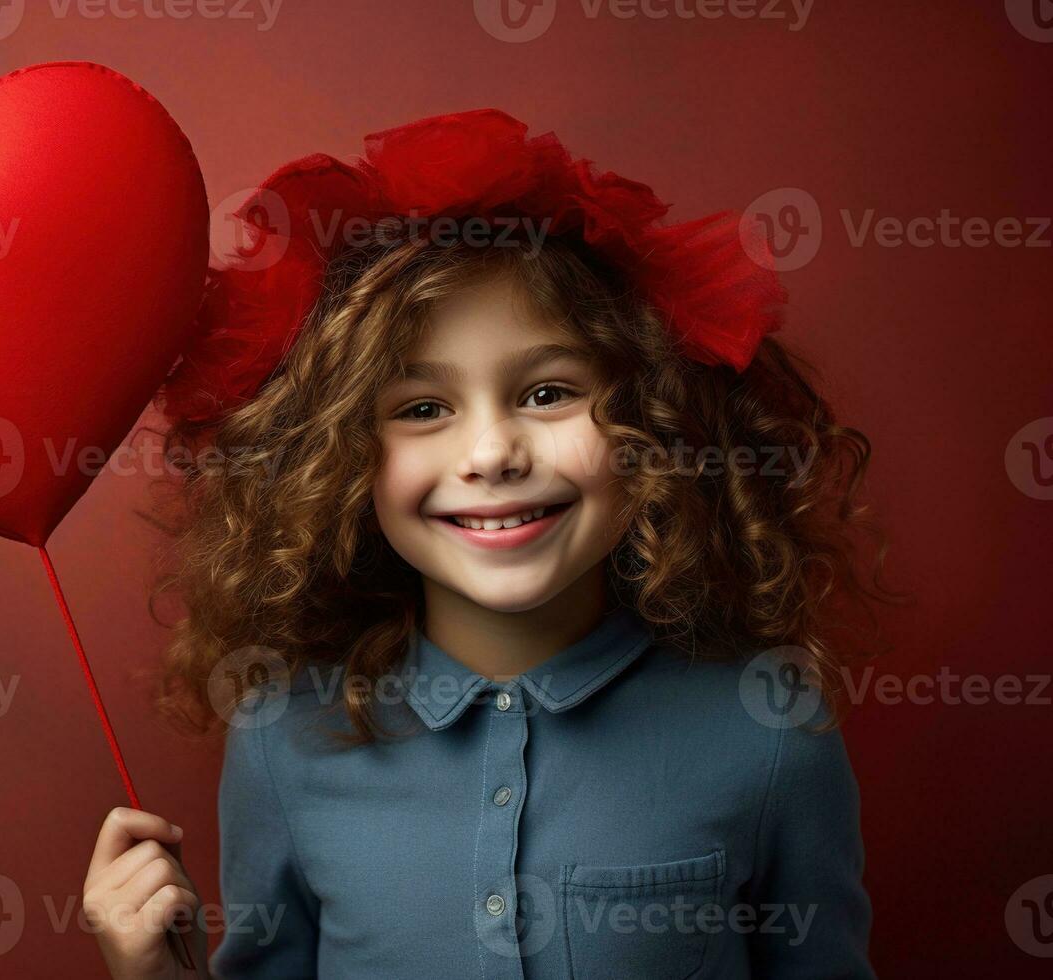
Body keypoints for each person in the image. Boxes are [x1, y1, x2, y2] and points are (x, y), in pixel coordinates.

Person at [81, 109, 890, 979]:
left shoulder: (766, 725)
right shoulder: (282, 739)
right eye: (423, 409)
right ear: (337, 457)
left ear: (652, 423)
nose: (493, 454)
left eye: (547, 393)